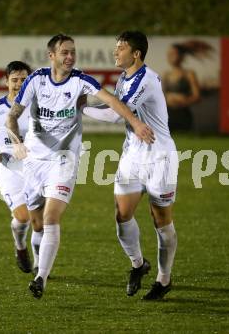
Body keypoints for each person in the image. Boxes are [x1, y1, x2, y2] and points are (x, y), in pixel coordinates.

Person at [6, 33, 153, 299]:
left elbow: (112, 102)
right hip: (33, 162)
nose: (70, 57)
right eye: (64, 52)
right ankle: (38, 261)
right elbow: (12, 116)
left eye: (73, 52)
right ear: (51, 56)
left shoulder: (80, 80)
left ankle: (41, 279)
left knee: (51, 218)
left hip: (63, 162)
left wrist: (136, 122)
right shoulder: (36, 80)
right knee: (37, 223)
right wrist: (16, 142)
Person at [83, 31, 178, 300]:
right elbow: (119, 108)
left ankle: (164, 278)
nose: (115, 52)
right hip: (132, 157)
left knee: (161, 220)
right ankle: (138, 264)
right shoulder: (124, 78)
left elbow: (115, 115)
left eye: (121, 48)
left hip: (160, 157)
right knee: (122, 214)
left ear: (136, 53)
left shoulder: (146, 80)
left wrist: (81, 108)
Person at [0, 61, 44, 275]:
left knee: (40, 221)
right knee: (23, 217)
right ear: (6, 81)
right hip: (9, 170)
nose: (19, 84)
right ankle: (20, 246)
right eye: (14, 80)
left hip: (36, 168)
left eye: (24, 80)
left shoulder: (39, 106)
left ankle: (40, 266)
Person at [163, 40, 214, 131]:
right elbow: (160, 96)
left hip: (183, 115)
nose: (170, 56)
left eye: (173, 54)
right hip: (167, 115)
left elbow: (197, 96)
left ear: (181, 56)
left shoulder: (189, 74)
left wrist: (183, 101)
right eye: (169, 54)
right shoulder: (166, 75)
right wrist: (169, 98)